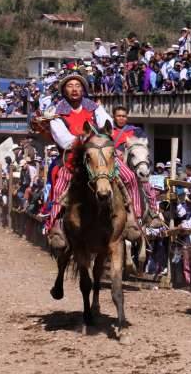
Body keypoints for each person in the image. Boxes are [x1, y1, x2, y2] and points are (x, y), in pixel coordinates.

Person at [46, 74, 140, 251]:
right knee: (60, 184)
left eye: (78, 86)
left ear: (83, 89)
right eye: (70, 86)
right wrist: (86, 140)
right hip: (74, 158)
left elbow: (108, 124)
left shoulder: (95, 108)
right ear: (64, 90)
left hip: (101, 154)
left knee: (130, 176)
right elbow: (65, 140)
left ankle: (134, 219)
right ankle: (56, 226)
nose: (74, 89)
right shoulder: (57, 113)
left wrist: (99, 138)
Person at [111, 106, 161, 225]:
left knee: (147, 186)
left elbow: (142, 146)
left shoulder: (135, 130)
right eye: (119, 116)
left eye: (124, 116)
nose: (121, 118)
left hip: (132, 164)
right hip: (113, 163)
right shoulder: (109, 130)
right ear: (114, 117)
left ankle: (153, 213)